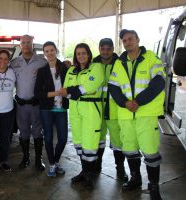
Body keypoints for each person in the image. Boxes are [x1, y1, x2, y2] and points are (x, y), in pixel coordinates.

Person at [108, 29, 165, 200]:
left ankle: (154, 187)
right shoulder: (119, 62)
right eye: (124, 40)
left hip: (145, 114)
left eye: (130, 39)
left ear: (138, 39)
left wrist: (138, 101)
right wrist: (125, 103)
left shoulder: (151, 58)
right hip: (126, 115)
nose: (127, 42)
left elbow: (159, 82)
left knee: (150, 151)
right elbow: (113, 86)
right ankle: (135, 178)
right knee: (130, 150)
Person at [60, 43, 104, 189]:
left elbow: (92, 85)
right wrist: (76, 91)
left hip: (91, 108)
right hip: (75, 109)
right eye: (78, 53)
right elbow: (66, 89)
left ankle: (91, 175)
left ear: (89, 54)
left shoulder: (96, 67)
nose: (81, 56)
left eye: (83, 53)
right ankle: (84, 172)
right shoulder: (71, 70)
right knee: (79, 141)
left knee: (90, 143)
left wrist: (76, 90)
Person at [92, 38, 128, 181]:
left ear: (113, 49)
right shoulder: (93, 64)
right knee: (98, 140)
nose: (105, 52)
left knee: (117, 142)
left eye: (108, 49)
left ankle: (120, 169)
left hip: (114, 110)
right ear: (99, 49)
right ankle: (97, 165)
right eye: (103, 48)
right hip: (97, 110)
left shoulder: (120, 64)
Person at [10, 35, 47, 171]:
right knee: (23, 132)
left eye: (28, 43)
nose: (26, 45)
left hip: (36, 105)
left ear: (32, 44)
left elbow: (48, 81)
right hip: (21, 105)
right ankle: (25, 158)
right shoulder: (14, 63)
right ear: (20, 45)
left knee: (38, 132)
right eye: (23, 43)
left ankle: (39, 159)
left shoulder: (42, 62)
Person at [34, 41, 69, 177]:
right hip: (46, 109)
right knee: (48, 138)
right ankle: (53, 164)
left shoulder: (65, 68)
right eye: (47, 51)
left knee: (63, 138)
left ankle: (55, 161)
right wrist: (55, 93)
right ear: (44, 53)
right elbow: (37, 93)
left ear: (56, 51)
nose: (49, 53)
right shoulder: (42, 71)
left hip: (61, 108)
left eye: (52, 50)